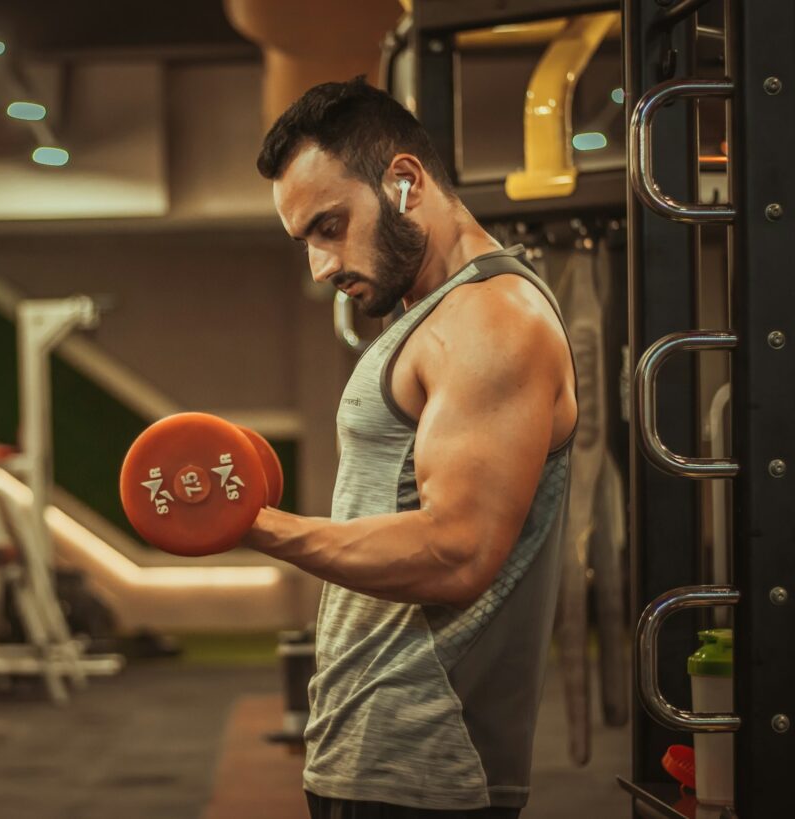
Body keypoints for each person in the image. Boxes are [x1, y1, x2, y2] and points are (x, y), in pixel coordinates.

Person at [240, 77, 579, 819]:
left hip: (428, 767)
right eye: (307, 242)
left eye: (330, 227)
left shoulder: (492, 320)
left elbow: (457, 550)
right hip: (371, 750)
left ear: (403, 181)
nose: (321, 267)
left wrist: (254, 525)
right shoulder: (437, 315)